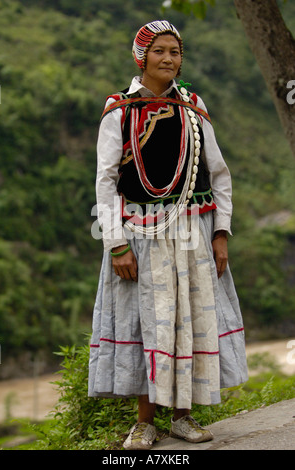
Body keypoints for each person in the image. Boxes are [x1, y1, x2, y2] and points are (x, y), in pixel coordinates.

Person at [88, 20, 248, 450]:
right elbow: (105, 181)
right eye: (159, 51)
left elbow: (219, 174)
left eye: (175, 52)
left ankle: (182, 417)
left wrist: (220, 233)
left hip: (192, 233)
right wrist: (116, 243)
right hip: (139, 235)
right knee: (147, 324)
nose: (168, 59)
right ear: (141, 57)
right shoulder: (119, 110)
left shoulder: (193, 107)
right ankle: (144, 423)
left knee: (187, 320)